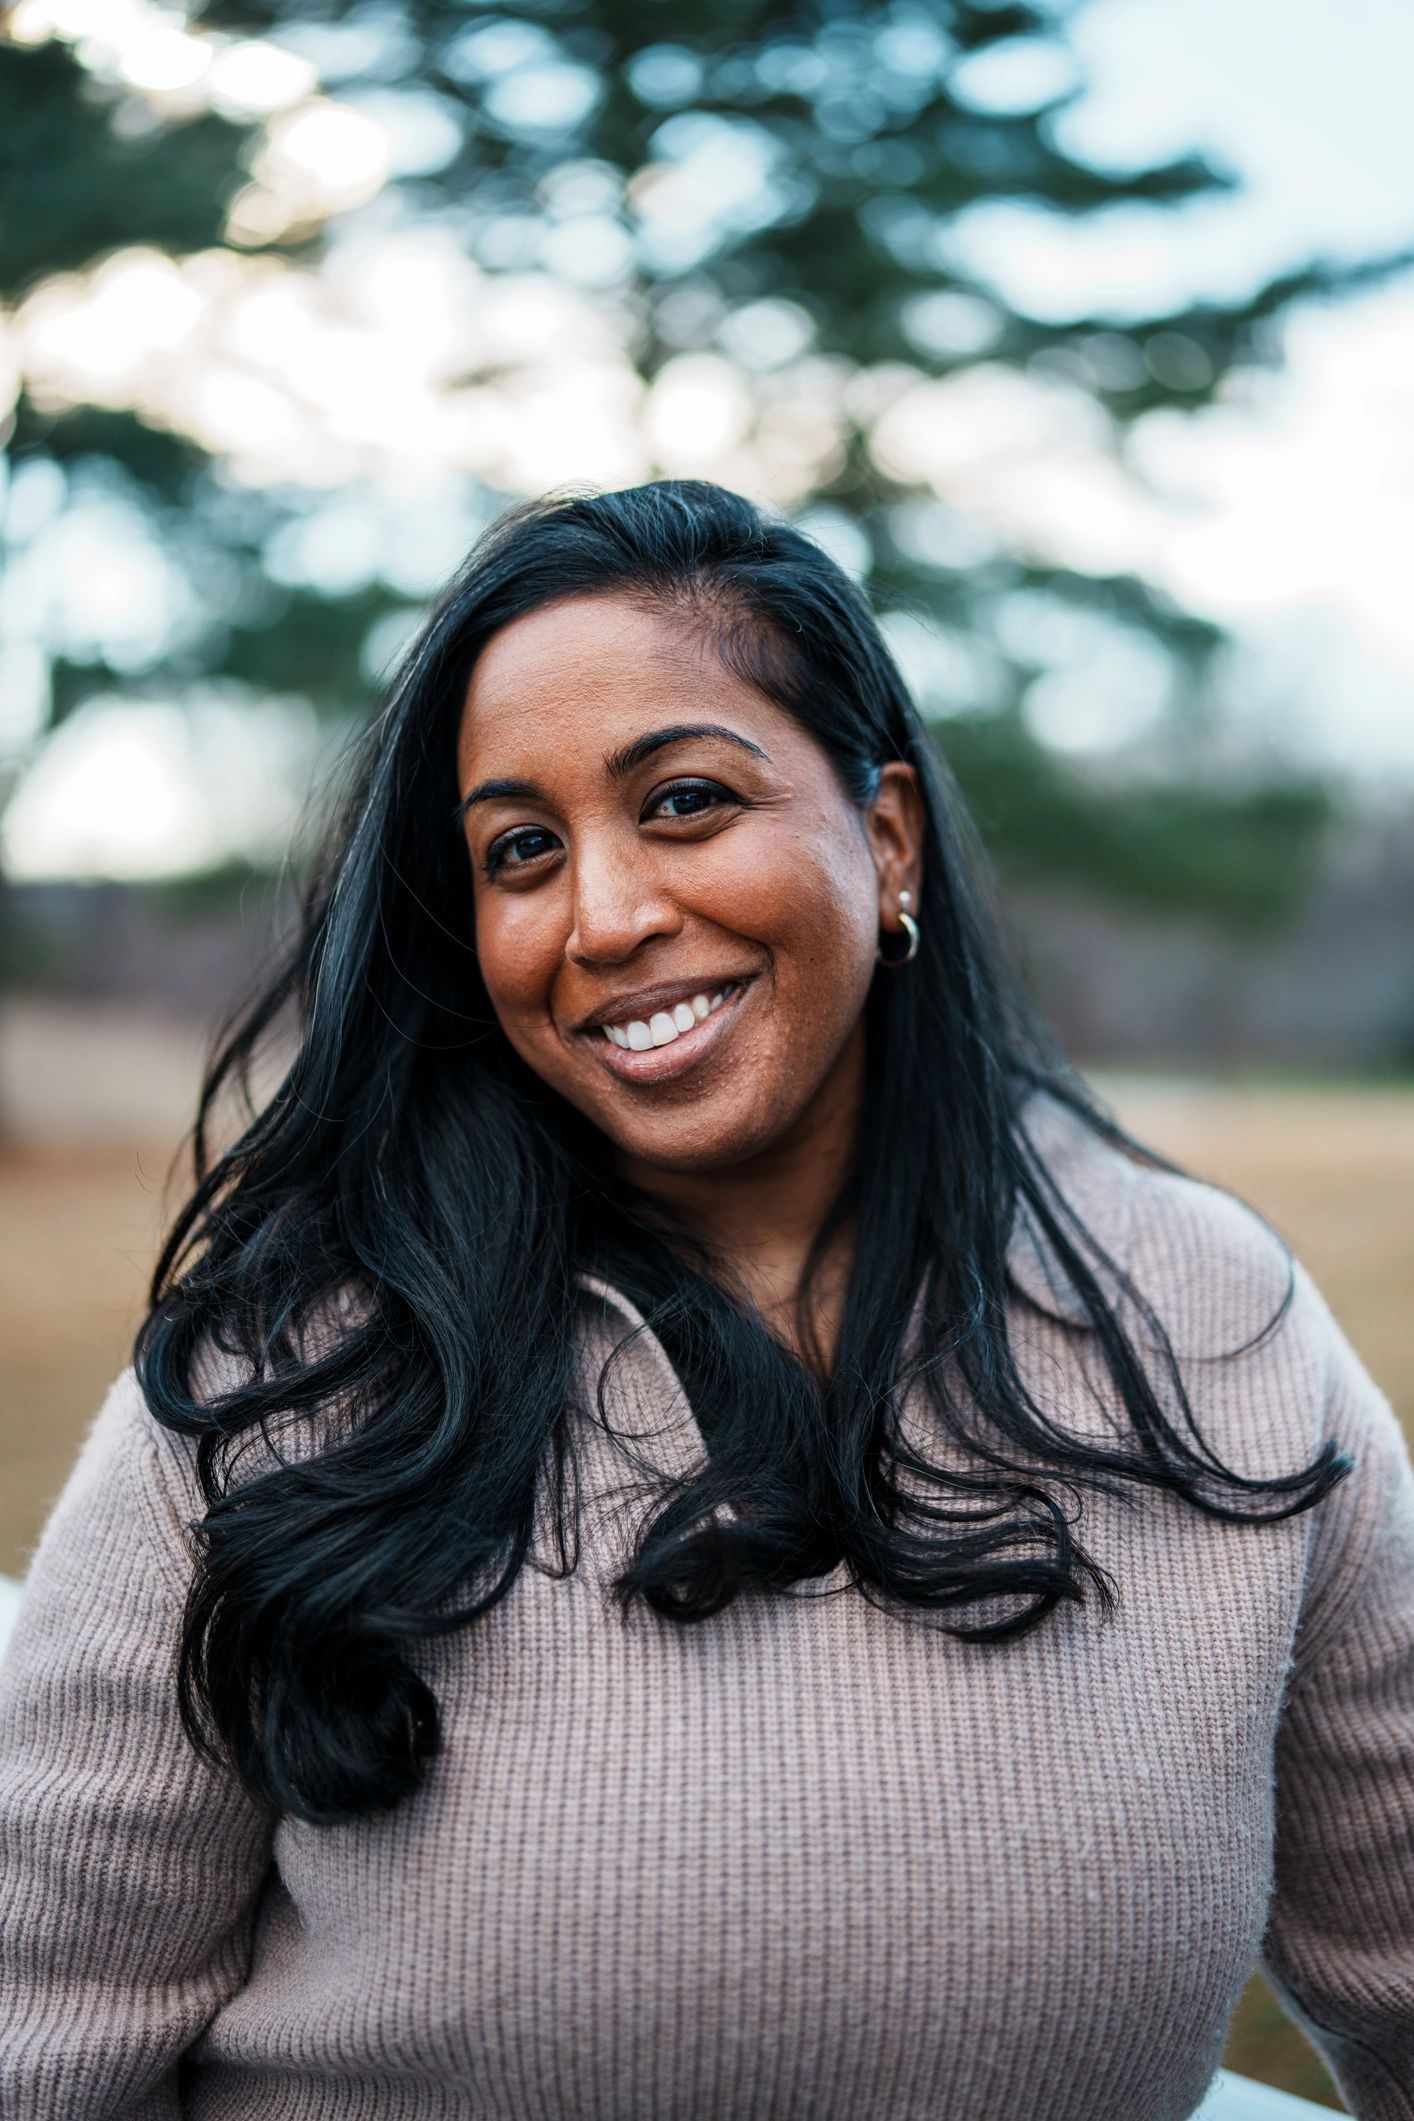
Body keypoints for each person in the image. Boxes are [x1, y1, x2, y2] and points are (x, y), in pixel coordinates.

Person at [1, 479, 1410, 2121]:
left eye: (681, 801)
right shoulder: (293, 1368)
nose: (601, 917)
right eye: (519, 851)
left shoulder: (1209, 1321)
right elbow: (39, 2034)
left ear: (883, 836)